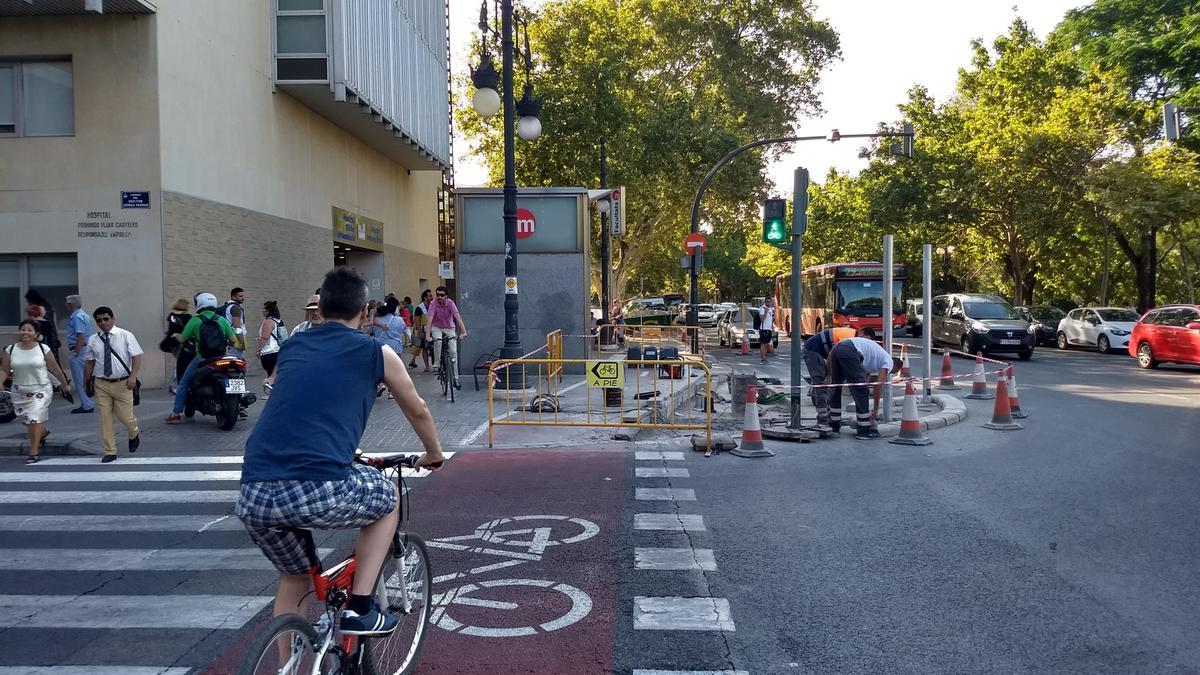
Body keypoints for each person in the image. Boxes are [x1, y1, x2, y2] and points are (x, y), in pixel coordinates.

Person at [236, 266, 445, 633]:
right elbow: (418, 409)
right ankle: (360, 607)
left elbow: (304, 403)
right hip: (317, 485)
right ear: (365, 312)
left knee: (295, 578)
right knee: (390, 498)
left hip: (254, 491)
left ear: (319, 309)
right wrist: (434, 454)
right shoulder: (374, 351)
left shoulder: (294, 347)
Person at [2, 320, 73, 464]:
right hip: (19, 390)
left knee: (34, 417)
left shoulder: (43, 349)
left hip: (40, 389)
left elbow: (55, 369)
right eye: (23, 329)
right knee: (27, 419)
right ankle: (43, 432)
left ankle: (33, 452)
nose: (26, 332)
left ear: (36, 334)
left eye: (29, 330)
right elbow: (4, 369)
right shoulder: (11, 349)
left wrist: (64, 385)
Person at [83, 306, 143, 462]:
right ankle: (110, 451)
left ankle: (133, 433)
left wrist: (133, 376)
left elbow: (136, 357)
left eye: (105, 319)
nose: (103, 323)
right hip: (101, 383)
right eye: (99, 321)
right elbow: (89, 362)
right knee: (105, 419)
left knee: (126, 417)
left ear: (112, 319)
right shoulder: (93, 340)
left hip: (123, 383)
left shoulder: (125, 335)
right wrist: (86, 381)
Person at [166, 292, 234, 424]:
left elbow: (182, 339)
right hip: (221, 358)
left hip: (201, 358)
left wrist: (175, 335)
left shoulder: (195, 320)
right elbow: (233, 340)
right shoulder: (222, 320)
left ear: (200, 304)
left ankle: (176, 414)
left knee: (184, 382)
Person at [828, 336, 902, 440]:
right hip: (850, 350)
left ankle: (833, 425)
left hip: (838, 347)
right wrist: (875, 410)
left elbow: (865, 375)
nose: (889, 374)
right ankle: (863, 430)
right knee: (862, 391)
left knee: (836, 387)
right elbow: (878, 385)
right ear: (896, 368)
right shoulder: (889, 361)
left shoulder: (876, 357)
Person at [802, 327, 858, 433]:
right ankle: (823, 419)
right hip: (812, 350)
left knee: (826, 387)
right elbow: (832, 356)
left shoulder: (851, 336)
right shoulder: (848, 339)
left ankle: (828, 417)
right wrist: (828, 374)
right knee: (822, 385)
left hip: (818, 350)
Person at [426, 286, 468, 389]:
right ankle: (437, 364)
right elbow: (429, 320)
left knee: (453, 352)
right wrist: (428, 335)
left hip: (449, 328)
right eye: (438, 295)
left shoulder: (450, 303)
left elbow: (457, 317)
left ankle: (456, 379)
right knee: (438, 341)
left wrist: (463, 332)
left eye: (442, 295)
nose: (439, 297)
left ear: (446, 296)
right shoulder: (433, 304)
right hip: (437, 327)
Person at [65, 294, 95, 414]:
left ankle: (86, 404)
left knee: (79, 379)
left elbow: (80, 335)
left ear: (71, 305)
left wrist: (76, 352)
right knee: (85, 377)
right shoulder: (84, 315)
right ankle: (87, 402)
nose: (65, 306)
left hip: (80, 350)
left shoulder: (77, 317)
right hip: (85, 349)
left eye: (67, 304)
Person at [24, 289, 62, 371]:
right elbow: (55, 324)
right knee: (54, 360)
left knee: (45, 361)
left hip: (44, 337)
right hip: (52, 336)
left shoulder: (37, 309)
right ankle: (61, 378)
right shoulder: (50, 308)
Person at [256, 300, 287, 398]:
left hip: (269, 351)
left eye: (264, 309)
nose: (262, 311)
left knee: (271, 372)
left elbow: (264, 337)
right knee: (275, 372)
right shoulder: (278, 321)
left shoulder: (268, 322)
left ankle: (272, 393)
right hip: (277, 350)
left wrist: (258, 349)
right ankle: (277, 392)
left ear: (269, 311)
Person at [165, 298, 192, 394]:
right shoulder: (188, 317)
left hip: (172, 342)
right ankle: (175, 384)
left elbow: (167, 330)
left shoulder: (170, 316)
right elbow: (189, 331)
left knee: (179, 362)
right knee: (182, 364)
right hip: (183, 342)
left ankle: (176, 384)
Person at [409, 289, 432, 371]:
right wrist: (420, 331)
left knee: (427, 347)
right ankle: (427, 366)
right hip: (423, 330)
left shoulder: (432, 305)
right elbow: (416, 320)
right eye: (430, 296)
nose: (432, 297)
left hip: (432, 329)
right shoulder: (419, 308)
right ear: (425, 297)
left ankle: (413, 359)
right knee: (423, 347)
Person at [222, 287, 247, 357]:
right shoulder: (236, 308)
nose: (243, 298)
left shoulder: (226, 306)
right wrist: (241, 342)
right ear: (233, 297)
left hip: (228, 340)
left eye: (243, 296)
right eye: (240, 296)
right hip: (235, 341)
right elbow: (236, 326)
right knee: (237, 363)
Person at [758, 297, 777, 363]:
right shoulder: (762, 308)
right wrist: (765, 312)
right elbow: (761, 319)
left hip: (769, 329)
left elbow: (771, 320)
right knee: (763, 344)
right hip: (764, 329)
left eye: (769, 301)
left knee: (766, 344)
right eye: (767, 301)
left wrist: (772, 328)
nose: (768, 303)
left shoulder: (771, 309)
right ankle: (763, 358)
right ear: (765, 302)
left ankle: (764, 358)